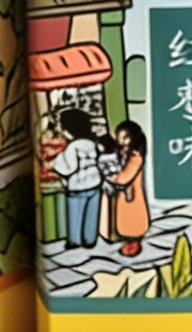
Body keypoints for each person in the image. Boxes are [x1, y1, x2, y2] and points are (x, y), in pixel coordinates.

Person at [44, 107, 103, 249]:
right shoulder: (91, 144)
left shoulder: (72, 147)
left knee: (75, 213)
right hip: (95, 183)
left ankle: (75, 240)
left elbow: (69, 168)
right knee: (91, 213)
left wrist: (56, 164)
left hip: (78, 186)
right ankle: (90, 239)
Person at [108, 120, 150, 257]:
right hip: (124, 192)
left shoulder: (135, 156)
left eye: (124, 137)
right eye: (119, 136)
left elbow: (125, 177)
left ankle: (133, 235)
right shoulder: (122, 153)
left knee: (131, 217)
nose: (120, 140)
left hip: (132, 192)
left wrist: (116, 178)